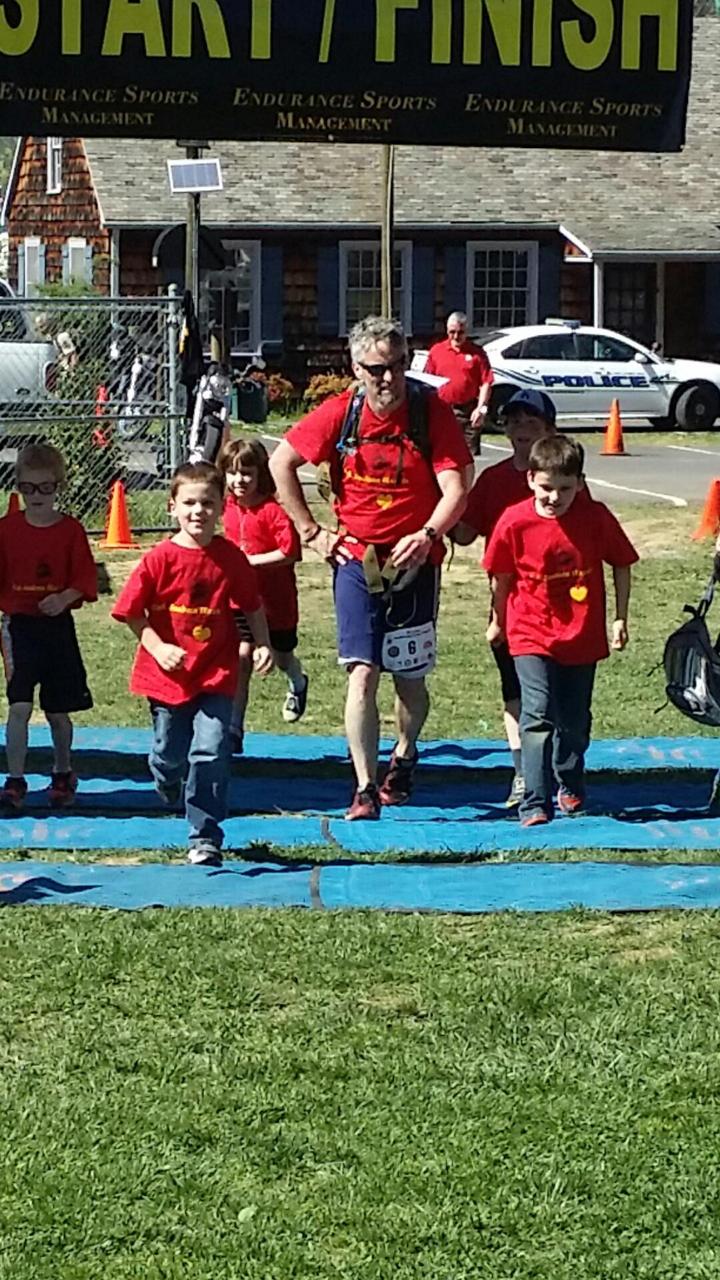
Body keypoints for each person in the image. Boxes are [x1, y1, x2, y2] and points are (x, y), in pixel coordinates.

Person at [270, 315, 471, 820]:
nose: (389, 379)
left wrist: (427, 536)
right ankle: (363, 786)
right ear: (356, 367)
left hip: (416, 564)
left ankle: (403, 753)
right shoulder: (342, 413)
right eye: (378, 369)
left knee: (409, 678)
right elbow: (280, 463)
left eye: (399, 366)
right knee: (362, 674)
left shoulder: (431, 414)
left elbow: (456, 488)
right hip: (357, 561)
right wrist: (312, 533)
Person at [112, 461, 273, 866]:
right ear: (172, 507)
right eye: (189, 503)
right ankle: (165, 778)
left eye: (207, 503)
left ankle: (205, 835)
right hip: (168, 677)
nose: (198, 511)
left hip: (216, 675)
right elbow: (132, 613)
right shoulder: (159, 559)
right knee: (170, 753)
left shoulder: (230, 558)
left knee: (211, 750)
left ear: (222, 508)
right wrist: (158, 646)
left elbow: (252, 607)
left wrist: (263, 644)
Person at [484, 435, 638, 827]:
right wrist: (498, 620)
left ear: (580, 483)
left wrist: (620, 617)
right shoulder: (515, 521)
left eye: (565, 489)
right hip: (529, 632)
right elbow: (500, 576)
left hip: (581, 634)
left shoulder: (595, 517)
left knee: (574, 719)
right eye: (547, 488)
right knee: (536, 714)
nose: (555, 497)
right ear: (531, 479)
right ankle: (534, 800)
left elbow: (622, 562)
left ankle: (569, 780)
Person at [452, 388, 556, 807]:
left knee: (557, 696)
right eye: (514, 422)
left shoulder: (565, 478)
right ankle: (522, 772)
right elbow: (462, 532)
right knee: (516, 694)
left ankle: (561, 772)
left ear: (550, 429)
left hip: (563, 606)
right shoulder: (494, 480)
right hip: (510, 607)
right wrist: (449, 487)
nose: (521, 430)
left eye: (532, 423)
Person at [0, 442, 96, 810]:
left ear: (59, 486)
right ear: (18, 486)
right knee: (19, 705)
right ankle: (14, 779)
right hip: (18, 628)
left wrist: (64, 597)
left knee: (58, 710)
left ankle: (62, 771)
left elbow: (86, 580)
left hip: (57, 629)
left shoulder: (70, 530)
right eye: (28, 488)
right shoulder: (7, 529)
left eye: (45, 488)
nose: (36, 496)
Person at [219, 437, 309, 753]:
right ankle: (234, 728)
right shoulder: (226, 506)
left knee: (282, 657)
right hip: (242, 601)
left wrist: (248, 562)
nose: (239, 481)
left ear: (260, 475)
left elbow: (290, 551)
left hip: (276, 603)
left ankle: (298, 682)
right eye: (231, 473)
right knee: (242, 657)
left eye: (246, 473)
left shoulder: (272, 511)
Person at [425, 311, 494, 456]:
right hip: (443, 410)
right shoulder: (436, 351)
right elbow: (427, 382)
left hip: (468, 412)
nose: (456, 336)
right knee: (442, 455)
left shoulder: (477, 353)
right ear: (446, 330)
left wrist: (481, 409)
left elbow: (486, 382)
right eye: (452, 332)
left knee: (468, 458)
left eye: (460, 332)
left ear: (466, 331)